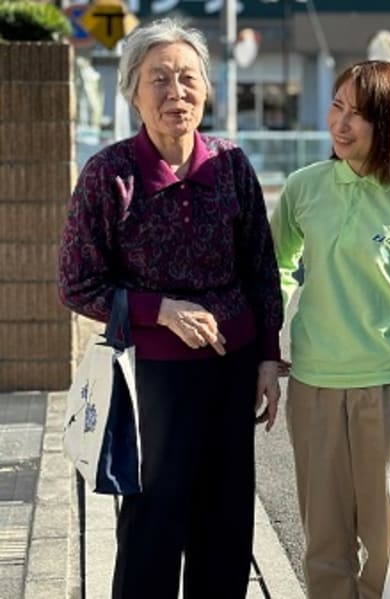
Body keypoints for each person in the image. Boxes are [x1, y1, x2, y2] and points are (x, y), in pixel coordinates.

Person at [57, 19, 284, 599]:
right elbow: (76, 282)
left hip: (231, 373)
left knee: (227, 526)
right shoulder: (109, 174)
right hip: (150, 383)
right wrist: (159, 310)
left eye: (187, 78)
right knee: (151, 528)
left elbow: (261, 268)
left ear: (208, 90)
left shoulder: (230, 164)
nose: (175, 92)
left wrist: (266, 359)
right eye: (159, 79)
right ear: (133, 91)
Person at [270, 60, 390, 599]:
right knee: (325, 548)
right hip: (314, 387)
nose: (342, 123)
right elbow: (274, 269)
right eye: (337, 106)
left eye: (360, 114)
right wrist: (269, 337)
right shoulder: (305, 188)